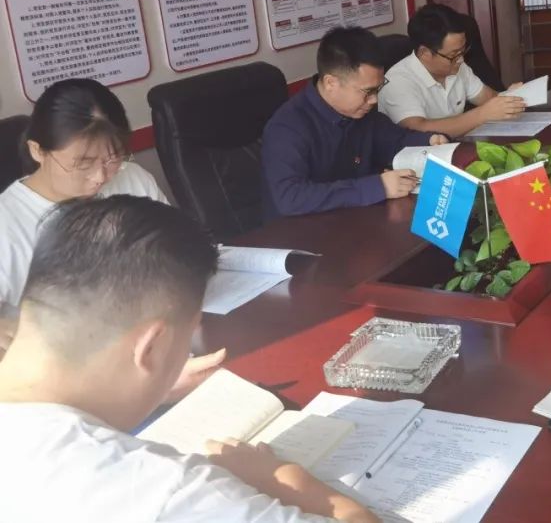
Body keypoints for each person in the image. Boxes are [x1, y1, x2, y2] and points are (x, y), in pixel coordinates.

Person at [0, 195, 376, 522]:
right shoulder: (167, 492)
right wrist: (281, 478)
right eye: (186, 340)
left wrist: (155, 390)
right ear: (151, 348)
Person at [0, 78, 168, 322]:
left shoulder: (133, 179)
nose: (100, 177)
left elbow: (174, 251)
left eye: (113, 158)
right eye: (83, 163)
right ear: (38, 151)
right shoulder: (7, 225)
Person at [262, 26, 448, 220]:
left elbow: (395, 141)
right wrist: (378, 187)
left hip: (356, 219)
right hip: (303, 230)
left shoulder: (362, 112)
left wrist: (430, 141)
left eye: (378, 89)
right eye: (368, 92)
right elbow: (290, 197)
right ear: (331, 83)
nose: (374, 100)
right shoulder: (287, 127)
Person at [378, 4, 525, 137]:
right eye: (453, 55)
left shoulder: (457, 67)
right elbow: (417, 130)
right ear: (424, 53)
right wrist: (481, 115)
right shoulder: (398, 82)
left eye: (462, 51)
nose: (460, 60)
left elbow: (488, 97)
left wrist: (512, 97)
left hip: (455, 147)